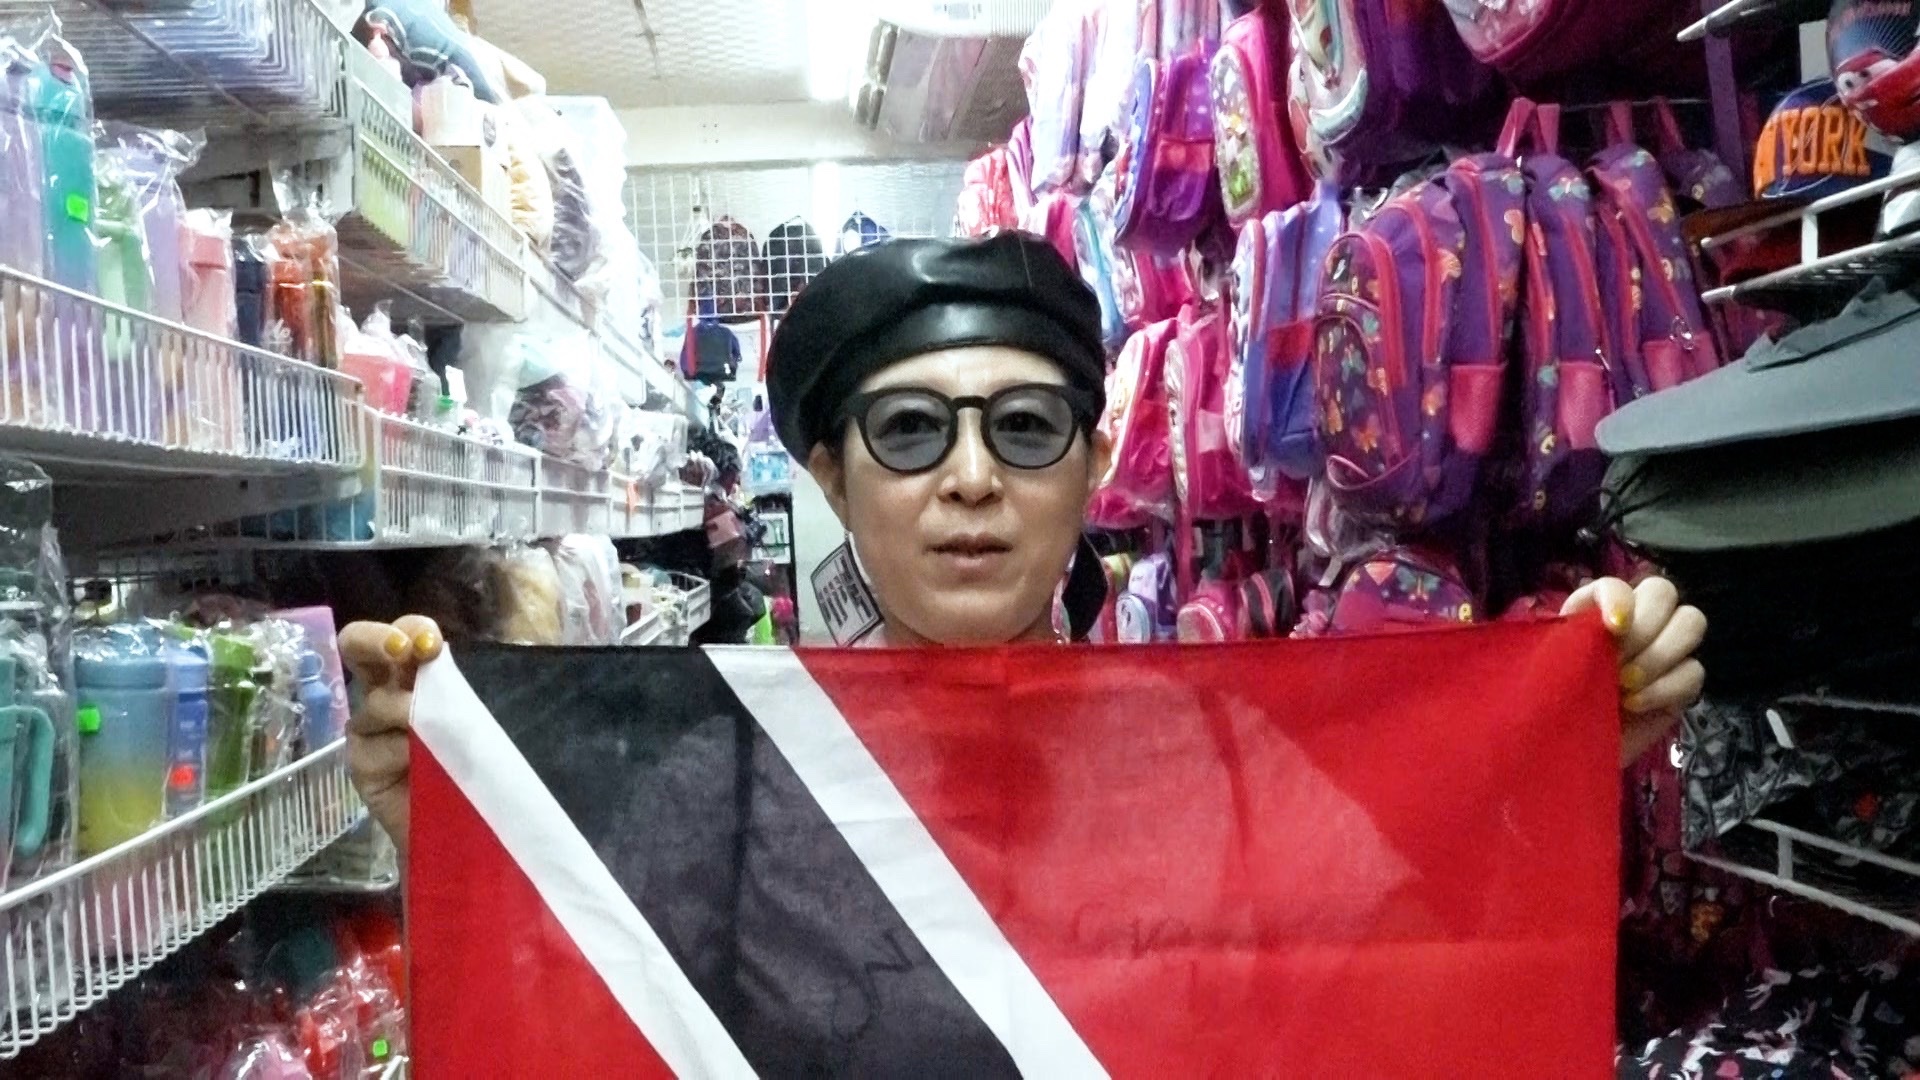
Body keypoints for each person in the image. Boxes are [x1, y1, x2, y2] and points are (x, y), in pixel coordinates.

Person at [341, 233, 1707, 859]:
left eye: (1026, 428)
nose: (973, 480)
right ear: (830, 479)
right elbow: (586, 1015)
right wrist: (449, 847)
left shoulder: (1224, 764)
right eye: (911, 433)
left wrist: (1557, 743)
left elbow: (1399, 952)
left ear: (1095, 467)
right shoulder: (724, 787)